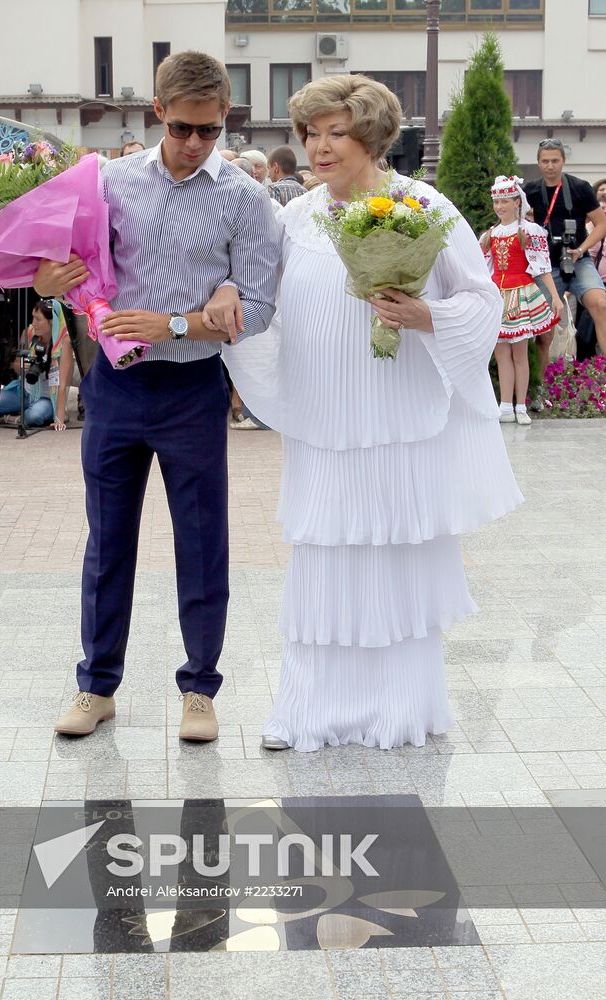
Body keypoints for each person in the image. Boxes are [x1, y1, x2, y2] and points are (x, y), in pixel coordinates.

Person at [213, 74, 522, 752]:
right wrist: (229, 304)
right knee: (322, 560)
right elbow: (260, 300)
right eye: (309, 134)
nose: (318, 147)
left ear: (372, 136)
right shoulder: (293, 215)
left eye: (334, 132)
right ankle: (305, 709)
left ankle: (398, 708)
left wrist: (425, 316)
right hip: (324, 426)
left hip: (397, 424)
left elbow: (481, 302)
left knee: (394, 561)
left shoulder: (421, 204)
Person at [34, 50, 280, 742]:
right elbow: (61, 273)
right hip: (114, 385)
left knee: (201, 541)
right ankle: (95, 686)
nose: (195, 144)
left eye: (209, 130)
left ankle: (199, 689)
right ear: (156, 116)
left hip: (192, 386)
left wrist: (180, 321)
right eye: (181, 129)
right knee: (107, 539)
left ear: (225, 119)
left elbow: (257, 305)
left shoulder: (244, 198)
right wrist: (50, 281)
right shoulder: (107, 182)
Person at [480, 175, 564, 426]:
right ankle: (505, 406)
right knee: (501, 353)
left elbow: (541, 267)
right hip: (498, 296)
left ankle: (520, 405)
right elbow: (484, 269)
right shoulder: (489, 235)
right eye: (497, 201)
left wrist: (555, 297)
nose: (500, 206)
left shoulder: (528, 230)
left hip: (521, 293)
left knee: (520, 354)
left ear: (518, 201)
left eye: (505, 200)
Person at [524, 139, 606, 370]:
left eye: (555, 161)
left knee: (601, 304)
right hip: (546, 264)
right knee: (544, 328)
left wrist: (581, 250)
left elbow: (601, 224)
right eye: (545, 161)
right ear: (538, 163)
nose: (550, 166)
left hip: (578, 258)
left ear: (564, 161)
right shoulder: (531, 190)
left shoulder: (579, 187)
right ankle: (539, 386)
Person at [0, 299, 74, 429]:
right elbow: (15, 364)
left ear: (52, 321)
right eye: (33, 318)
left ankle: (11, 418)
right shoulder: (29, 332)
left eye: (38, 319)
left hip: (48, 397)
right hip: (24, 391)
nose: (33, 323)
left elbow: (63, 384)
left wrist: (59, 418)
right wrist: (19, 365)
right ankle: (21, 414)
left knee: (35, 416)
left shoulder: (64, 342)